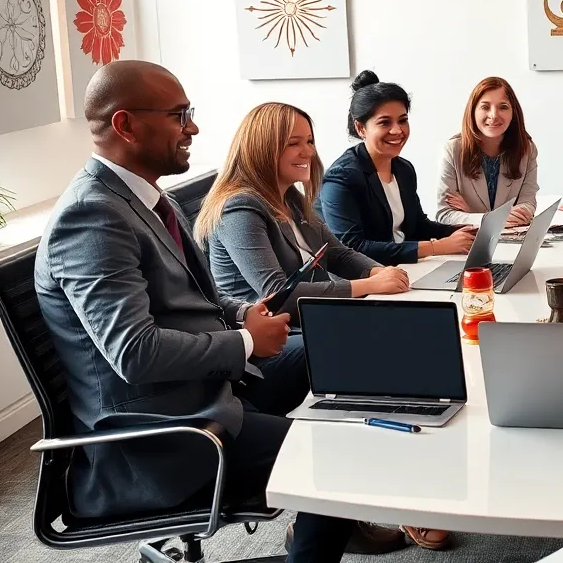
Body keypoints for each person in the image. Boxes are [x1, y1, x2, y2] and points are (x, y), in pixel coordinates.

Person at [33, 60, 357, 563]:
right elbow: (134, 352)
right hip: (157, 436)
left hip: (203, 391)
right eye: (180, 114)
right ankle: (324, 520)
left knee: (334, 352)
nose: (194, 127)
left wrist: (242, 313)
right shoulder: (91, 216)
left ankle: (331, 509)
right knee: (342, 458)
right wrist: (246, 342)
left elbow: (192, 299)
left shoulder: (141, 197)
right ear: (126, 125)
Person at [196, 103, 412, 324]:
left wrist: (380, 273)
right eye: (293, 143)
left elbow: (339, 255)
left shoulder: (291, 198)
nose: (309, 151)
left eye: (309, 141)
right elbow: (277, 296)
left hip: (312, 319)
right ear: (262, 148)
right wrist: (370, 285)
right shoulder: (238, 209)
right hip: (269, 335)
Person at [317, 71, 476, 267]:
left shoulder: (403, 169)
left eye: (402, 120)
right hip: (363, 281)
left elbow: (417, 225)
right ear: (361, 128)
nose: (397, 130)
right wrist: (437, 247)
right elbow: (352, 248)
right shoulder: (341, 178)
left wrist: (463, 231)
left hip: (400, 269)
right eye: (385, 122)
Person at [435, 76, 539, 227]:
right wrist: (490, 219)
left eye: (503, 107)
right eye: (485, 107)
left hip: (512, 239)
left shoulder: (527, 149)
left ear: (513, 113)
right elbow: (444, 215)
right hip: (469, 244)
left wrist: (470, 214)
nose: (494, 115)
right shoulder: (452, 150)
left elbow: (528, 203)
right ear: (473, 111)